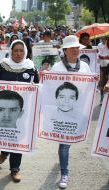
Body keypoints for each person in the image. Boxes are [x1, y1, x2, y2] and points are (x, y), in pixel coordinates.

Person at [0, 39, 39, 182]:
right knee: (6, 134)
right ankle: (4, 151)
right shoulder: (3, 66)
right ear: (11, 51)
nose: (18, 53)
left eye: (21, 50)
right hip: (5, 111)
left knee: (19, 137)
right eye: (16, 50)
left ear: (25, 52)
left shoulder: (31, 68)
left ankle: (15, 169)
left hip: (23, 110)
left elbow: (37, 86)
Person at [51, 35, 91, 189]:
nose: (76, 49)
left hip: (78, 112)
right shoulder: (57, 68)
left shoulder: (85, 67)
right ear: (65, 50)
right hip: (62, 114)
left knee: (70, 142)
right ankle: (64, 173)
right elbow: (50, 90)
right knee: (64, 144)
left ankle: (63, 160)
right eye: (72, 47)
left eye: (77, 47)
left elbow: (89, 88)